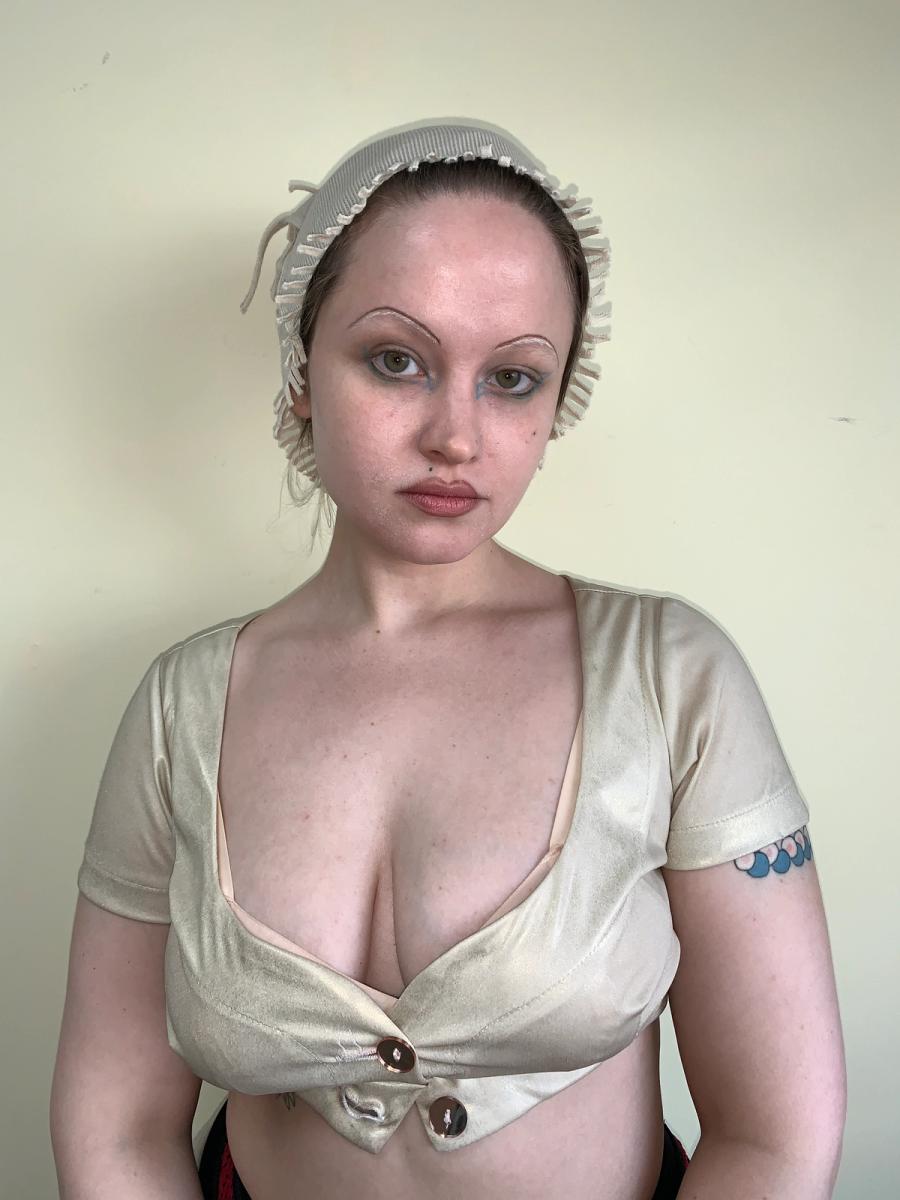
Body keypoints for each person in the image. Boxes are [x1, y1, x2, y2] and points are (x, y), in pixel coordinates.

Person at [51, 118, 846, 1199]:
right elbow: (116, 1128)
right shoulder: (180, 709)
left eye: (513, 378)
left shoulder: (672, 680)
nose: (456, 437)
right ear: (301, 370)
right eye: (396, 360)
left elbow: (775, 1136)